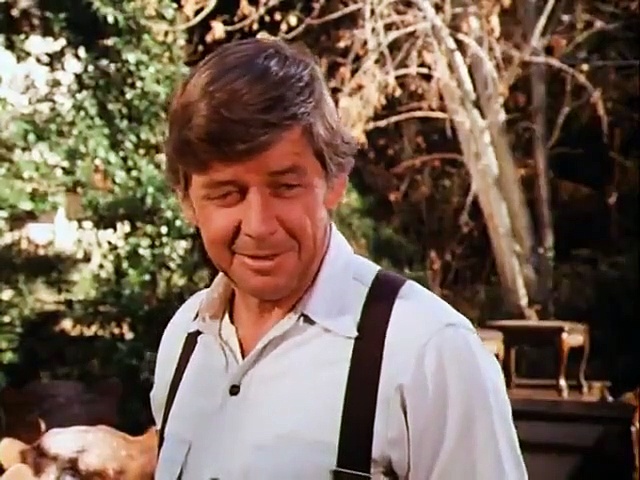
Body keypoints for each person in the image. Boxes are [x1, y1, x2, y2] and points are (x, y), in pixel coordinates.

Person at [150, 37, 528, 480]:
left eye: (285, 187)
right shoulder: (185, 338)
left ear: (335, 183)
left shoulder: (429, 352)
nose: (258, 225)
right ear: (187, 201)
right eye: (227, 194)